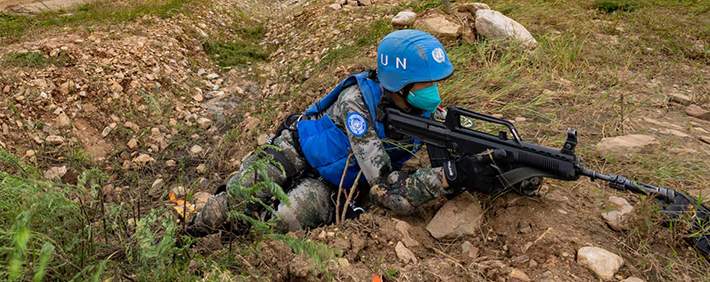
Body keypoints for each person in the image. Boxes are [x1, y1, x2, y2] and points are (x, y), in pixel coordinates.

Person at [188, 30, 498, 235]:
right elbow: (388, 191)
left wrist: (491, 157)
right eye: (425, 84)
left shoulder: (424, 111)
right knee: (239, 197)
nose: (433, 92)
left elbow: (459, 135)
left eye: (435, 84)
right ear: (398, 84)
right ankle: (191, 235)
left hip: (339, 183)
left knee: (281, 223)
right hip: (297, 150)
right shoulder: (357, 105)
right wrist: (449, 176)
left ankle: (244, 233)